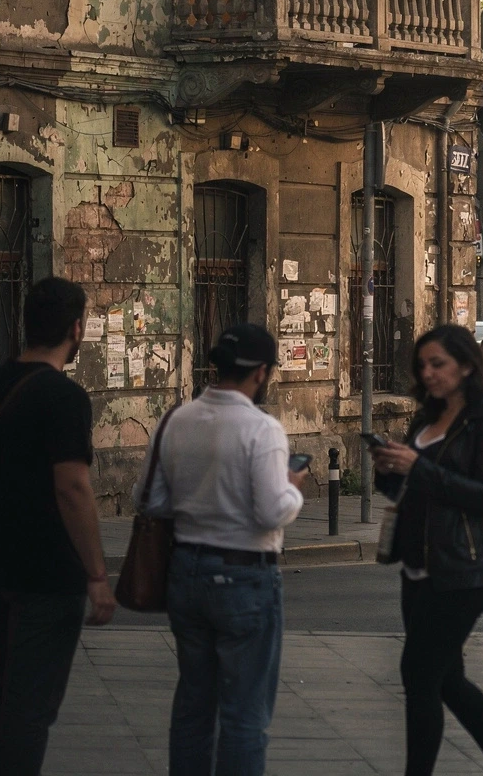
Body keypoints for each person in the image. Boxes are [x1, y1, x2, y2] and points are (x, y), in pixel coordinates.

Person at [0, 276, 113, 776]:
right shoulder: (64, 398)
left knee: (1, 692)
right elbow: (73, 488)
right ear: (76, 329)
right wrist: (97, 575)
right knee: (30, 706)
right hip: (47, 574)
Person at [134, 323, 305, 776]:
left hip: (186, 572)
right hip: (246, 575)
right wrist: (294, 489)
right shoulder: (262, 429)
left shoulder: (177, 420)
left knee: (193, 704)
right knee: (245, 714)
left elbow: (148, 500)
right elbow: (272, 511)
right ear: (262, 373)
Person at [371, 325, 483, 776]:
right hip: (419, 563)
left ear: (466, 365)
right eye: (421, 365)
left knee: (419, 674)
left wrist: (418, 467)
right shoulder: (426, 418)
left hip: (469, 565)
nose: (427, 373)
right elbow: (405, 488)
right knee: (445, 677)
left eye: (437, 364)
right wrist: (389, 467)